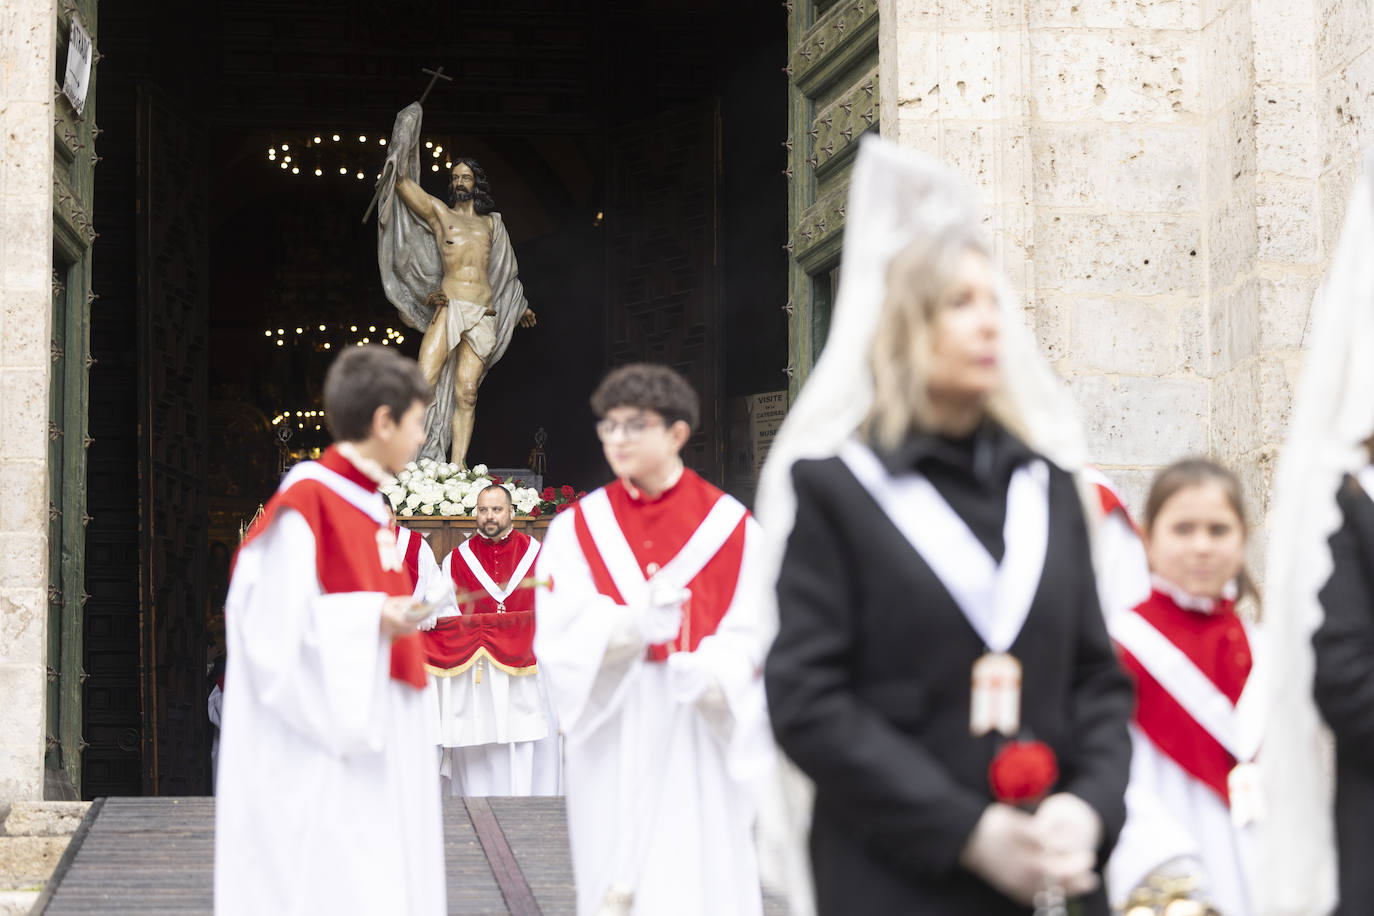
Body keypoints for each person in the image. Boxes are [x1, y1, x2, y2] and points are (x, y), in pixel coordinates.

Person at [756, 137, 1132, 915]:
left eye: (995, 302)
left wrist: (1089, 805)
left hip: (1054, 875)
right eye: (961, 304)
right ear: (905, 326)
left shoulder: (1051, 489)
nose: (989, 324)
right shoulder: (837, 493)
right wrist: (967, 830)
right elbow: (807, 700)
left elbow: (1097, 679)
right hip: (896, 876)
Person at [533, 363, 774, 916]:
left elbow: (760, 629)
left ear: (676, 433)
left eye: (633, 426)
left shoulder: (732, 527)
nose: (617, 439)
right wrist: (629, 625)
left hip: (699, 722)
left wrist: (714, 672)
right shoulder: (579, 526)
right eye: (608, 426)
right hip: (613, 717)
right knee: (614, 867)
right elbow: (560, 625)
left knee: (698, 869)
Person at [214, 345, 445, 914]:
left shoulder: (370, 505)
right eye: (418, 425)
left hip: (384, 730)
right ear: (383, 421)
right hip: (331, 748)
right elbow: (267, 631)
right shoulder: (307, 503)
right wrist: (372, 618)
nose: (422, 441)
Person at [1106, 460, 1262, 915]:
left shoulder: (1264, 650)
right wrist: (1170, 883)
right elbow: (1114, 773)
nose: (1201, 547)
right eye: (1183, 529)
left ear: (1242, 538)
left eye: (1218, 530)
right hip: (1163, 876)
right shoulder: (1118, 645)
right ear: (1149, 537)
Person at [377, 100, 535, 468]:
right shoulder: (440, 215)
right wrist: (406, 127)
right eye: (455, 177)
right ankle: (408, 462)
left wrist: (520, 304)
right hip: (449, 308)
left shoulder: (492, 223)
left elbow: (504, 271)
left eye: (466, 177)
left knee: (467, 392)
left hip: (483, 312)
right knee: (423, 383)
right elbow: (401, 183)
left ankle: (458, 465)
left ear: (476, 182)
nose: (460, 182)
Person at [420, 483, 560, 796]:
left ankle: (532, 800)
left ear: (512, 512)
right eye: (483, 510)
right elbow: (445, 609)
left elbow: (556, 603)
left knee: (526, 739)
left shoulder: (539, 555)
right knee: (482, 744)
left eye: (497, 509)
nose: (489, 516)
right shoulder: (457, 560)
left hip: (529, 669)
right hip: (478, 677)